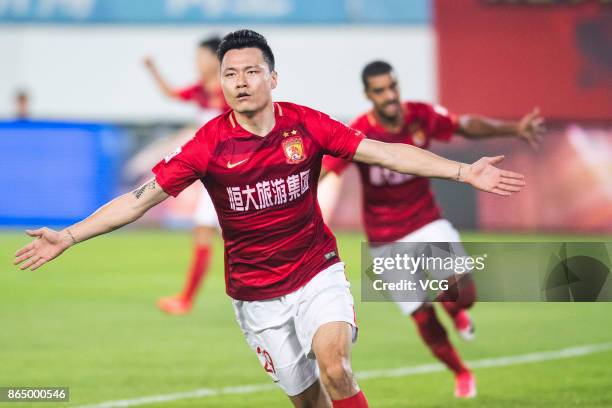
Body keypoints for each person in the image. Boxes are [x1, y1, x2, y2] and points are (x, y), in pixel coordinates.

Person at [14, 30, 525, 408]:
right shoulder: (207, 146)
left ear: (272, 77)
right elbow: (140, 199)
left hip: (316, 271)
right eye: (229, 74)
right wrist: (70, 235)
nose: (239, 82)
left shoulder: (307, 124)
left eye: (250, 71)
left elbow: (386, 153)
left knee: (336, 367)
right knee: (308, 400)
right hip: (256, 295)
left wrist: (463, 170)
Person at [321, 60, 544, 399]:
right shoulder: (359, 132)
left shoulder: (420, 115)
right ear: (369, 95)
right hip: (384, 240)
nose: (390, 95)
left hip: (426, 223)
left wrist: (513, 129)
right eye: (380, 90)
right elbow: (327, 168)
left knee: (463, 294)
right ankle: (462, 372)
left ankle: (456, 312)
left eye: (393, 86)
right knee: (423, 319)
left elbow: (464, 125)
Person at [143, 36, 229, 314]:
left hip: (231, 177)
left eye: (200, 57)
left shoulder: (231, 92)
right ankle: (187, 299)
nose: (196, 62)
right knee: (206, 232)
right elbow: (172, 94)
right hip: (212, 176)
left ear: (215, 59)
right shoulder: (201, 91)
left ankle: (273, 290)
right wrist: (152, 69)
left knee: (236, 237)